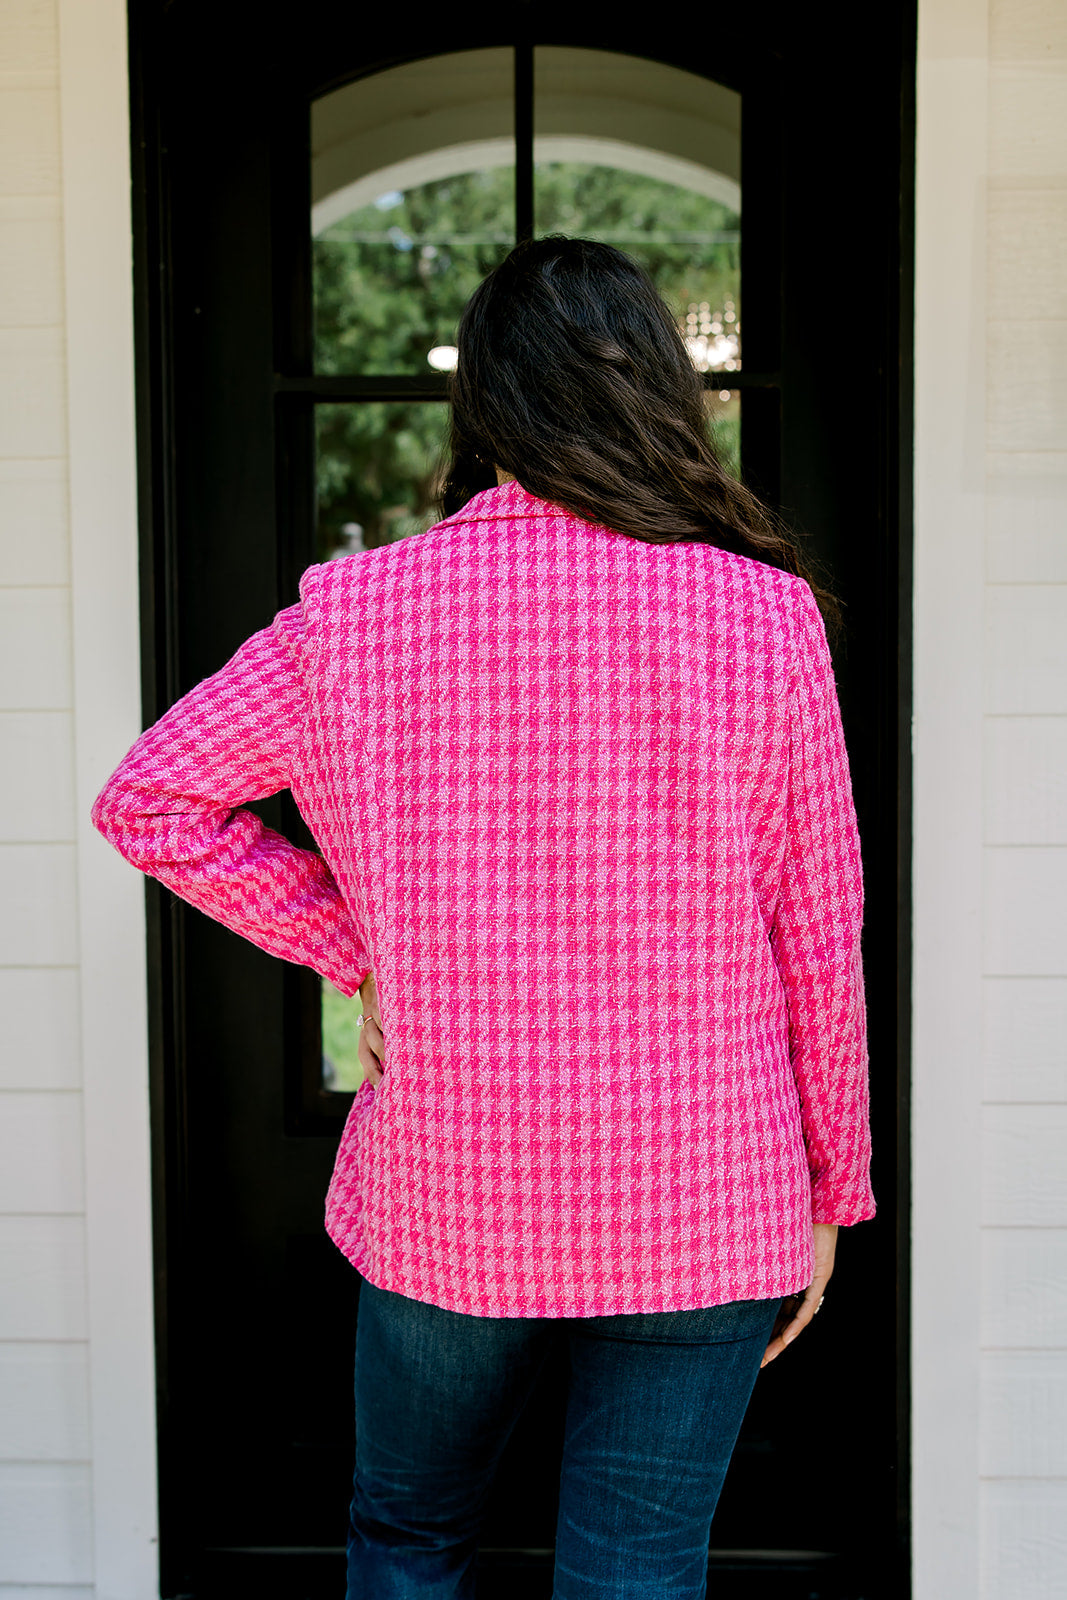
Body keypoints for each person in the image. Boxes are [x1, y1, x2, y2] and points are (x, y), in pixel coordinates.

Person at [92, 236, 876, 1600]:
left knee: (407, 1537)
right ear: (659, 397)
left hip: (453, 1175)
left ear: (491, 408)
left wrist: (358, 951)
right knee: (635, 1568)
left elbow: (153, 799)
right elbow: (820, 924)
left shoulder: (356, 614)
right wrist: (834, 1185)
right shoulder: (763, 618)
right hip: (703, 1177)